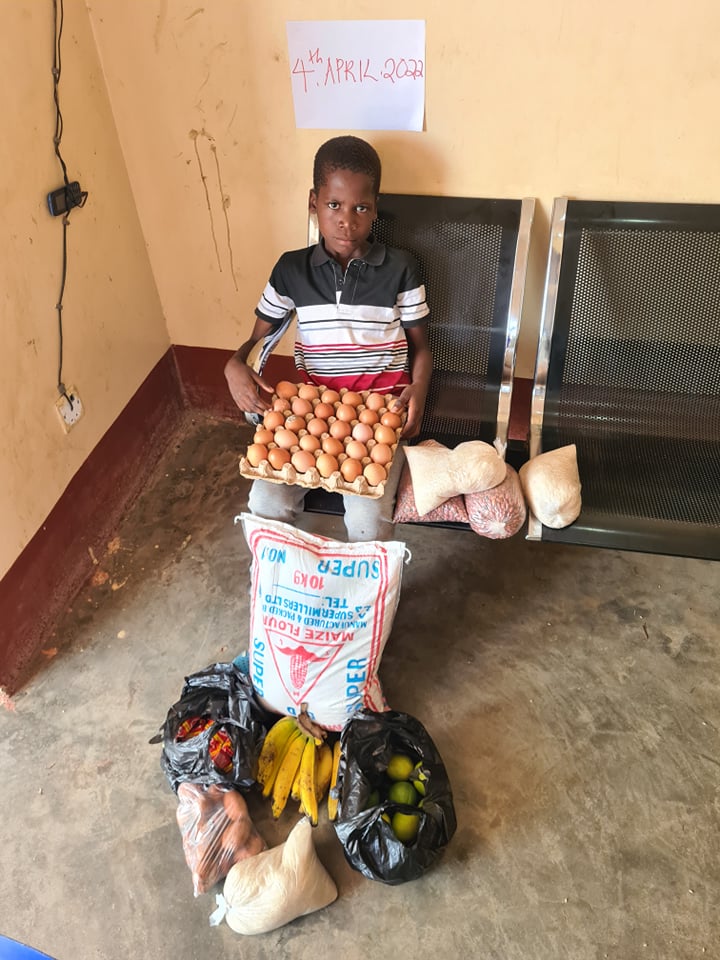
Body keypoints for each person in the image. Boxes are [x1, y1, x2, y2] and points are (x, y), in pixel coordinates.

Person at [225, 135, 432, 541]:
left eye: (360, 208)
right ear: (313, 202)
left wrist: (420, 389)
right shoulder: (291, 270)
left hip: (379, 416)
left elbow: (421, 347)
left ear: (375, 209)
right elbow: (256, 339)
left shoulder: (401, 269)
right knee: (265, 504)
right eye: (333, 205)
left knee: (367, 522)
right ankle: (283, 579)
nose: (346, 221)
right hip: (312, 417)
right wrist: (234, 363)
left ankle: (368, 581)